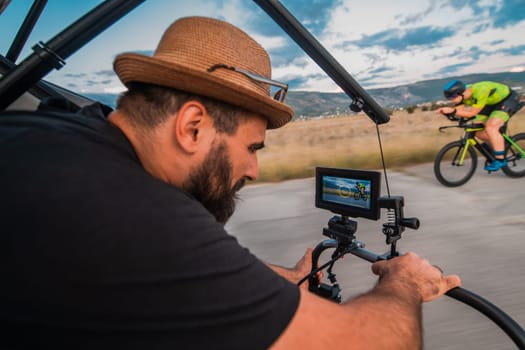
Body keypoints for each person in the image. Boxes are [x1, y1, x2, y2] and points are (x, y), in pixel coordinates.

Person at [0, 16, 461, 349]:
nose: (254, 171)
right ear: (193, 126)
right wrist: (405, 285)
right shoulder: (127, 213)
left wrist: (283, 281)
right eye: (253, 147)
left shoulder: (67, 136)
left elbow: (182, 274)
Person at [437, 79, 522, 171]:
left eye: (453, 97)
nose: (452, 100)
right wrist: (448, 114)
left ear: (460, 93)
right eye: (449, 99)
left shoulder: (480, 91)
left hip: (507, 100)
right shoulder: (460, 98)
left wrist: (452, 111)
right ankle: (498, 143)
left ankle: (500, 160)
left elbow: (472, 114)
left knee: (491, 127)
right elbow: (460, 112)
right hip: (489, 103)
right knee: (476, 129)